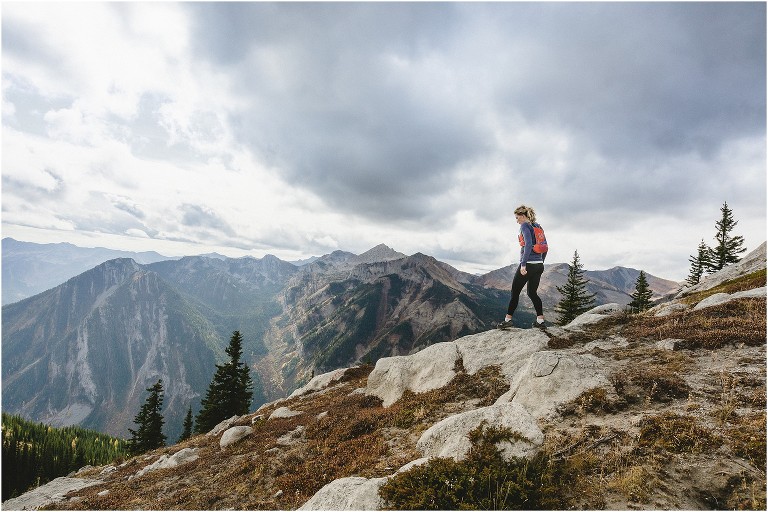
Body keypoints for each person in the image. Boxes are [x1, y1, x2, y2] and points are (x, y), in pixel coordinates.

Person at [498, 205, 547, 330]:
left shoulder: (525, 226)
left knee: (515, 293)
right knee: (532, 293)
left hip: (528, 264)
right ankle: (540, 322)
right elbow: (545, 246)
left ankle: (508, 320)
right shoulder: (538, 226)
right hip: (538, 265)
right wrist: (541, 261)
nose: (517, 220)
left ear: (523, 216)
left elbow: (529, 244)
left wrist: (523, 264)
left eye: (517, 217)